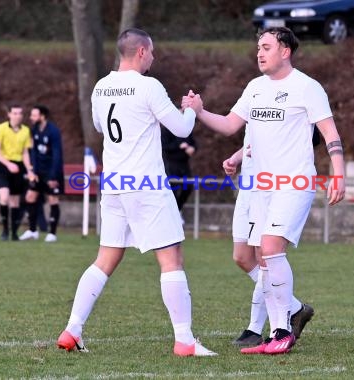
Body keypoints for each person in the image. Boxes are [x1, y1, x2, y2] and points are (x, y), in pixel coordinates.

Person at [184, 26, 345, 355]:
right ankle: (281, 330)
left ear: (285, 51)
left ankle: (282, 331)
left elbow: (330, 134)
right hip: (261, 187)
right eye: (258, 47)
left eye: (267, 47)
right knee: (260, 256)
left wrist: (338, 173)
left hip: (294, 182)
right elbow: (231, 124)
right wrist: (200, 112)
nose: (260, 52)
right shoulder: (255, 88)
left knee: (270, 249)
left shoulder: (307, 88)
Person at [56, 28, 217, 357]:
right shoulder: (149, 86)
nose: (154, 58)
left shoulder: (101, 86)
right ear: (141, 51)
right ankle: (184, 340)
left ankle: (72, 329)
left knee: (105, 259)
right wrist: (193, 108)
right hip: (146, 185)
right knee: (171, 260)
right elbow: (183, 128)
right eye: (152, 52)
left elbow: (101, 127)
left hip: (114, 184)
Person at [224, 128, 314, 348]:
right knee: (242, 257)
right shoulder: (255, 94)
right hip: (248, 186)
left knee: (265, 256)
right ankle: (293, 308)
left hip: (269, 186)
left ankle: (256, 329)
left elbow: (293, 140)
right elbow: (252, 140)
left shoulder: (297, 102)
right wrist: (237, 158)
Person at [19, 105, 64, 243]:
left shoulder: (54, 131)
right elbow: (34, 152)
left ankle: (52, 233)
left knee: (53, 200)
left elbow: (57, 155)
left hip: (51, 173)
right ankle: (33, 231)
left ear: (42, 116)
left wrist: (53, 176)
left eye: (34, 115)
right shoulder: (35, 130)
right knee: (30, 197)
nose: (31, 118)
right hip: (38, 172)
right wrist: (32, 170)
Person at [0, 104, 34, 241]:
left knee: (15, 201)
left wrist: (29, 169)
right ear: (9, 114)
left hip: (19, 166)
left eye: (19, 113)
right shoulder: (1, 128)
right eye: (14, 113)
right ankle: (5, 229)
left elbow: (26, 152)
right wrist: (8, 164)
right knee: (4, 197)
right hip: (3, 165)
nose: (17, 116)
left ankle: (14, 232)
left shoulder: (26, 131)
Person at [162, 127, 197, 221]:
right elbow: (164, 146)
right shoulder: (166, 130)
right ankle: (170, 214)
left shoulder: (185, 130)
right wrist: (179, 145)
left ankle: (176, 210)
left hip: (184, 164)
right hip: (171, 164)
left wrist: (192, 148)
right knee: (173, 188)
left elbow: (193, 144)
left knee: (188, 186)